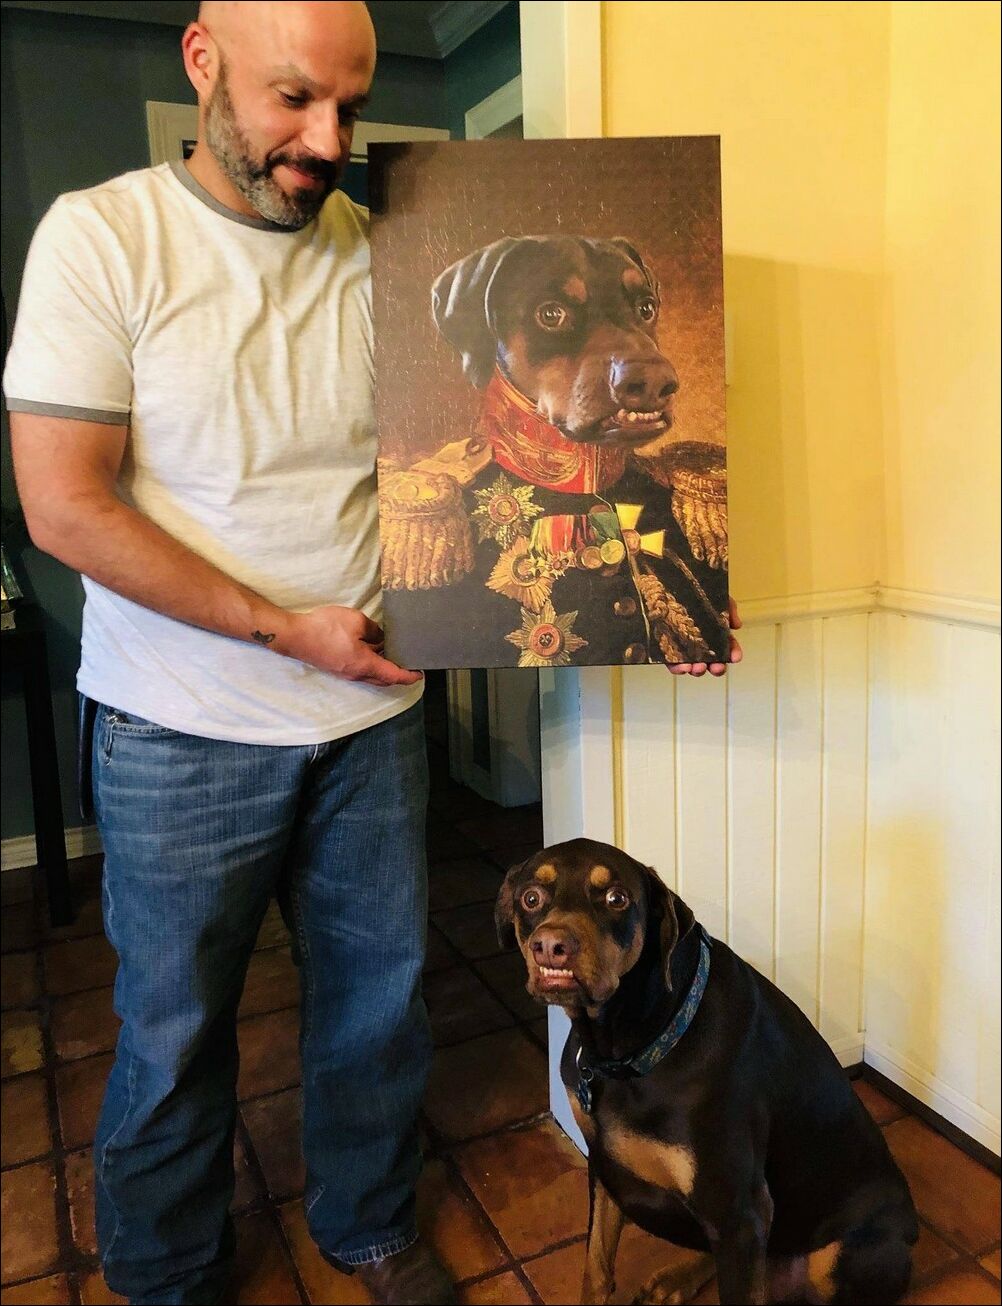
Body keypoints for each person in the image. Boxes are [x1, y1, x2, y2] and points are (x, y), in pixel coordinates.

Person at [4, 3, 741, 1303]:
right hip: (178, 726)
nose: (327, 139)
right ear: (202, 61)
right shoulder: (103, 238)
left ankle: (370, 1222)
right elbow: (64, 505)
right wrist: (279, 626)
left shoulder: (387, 256)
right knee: (173, 1031)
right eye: (293, 99)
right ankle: (167, 1273)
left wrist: (648, 605)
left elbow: (498, 479)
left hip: (370, 721)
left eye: (348, 105)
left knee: (377, 1007)